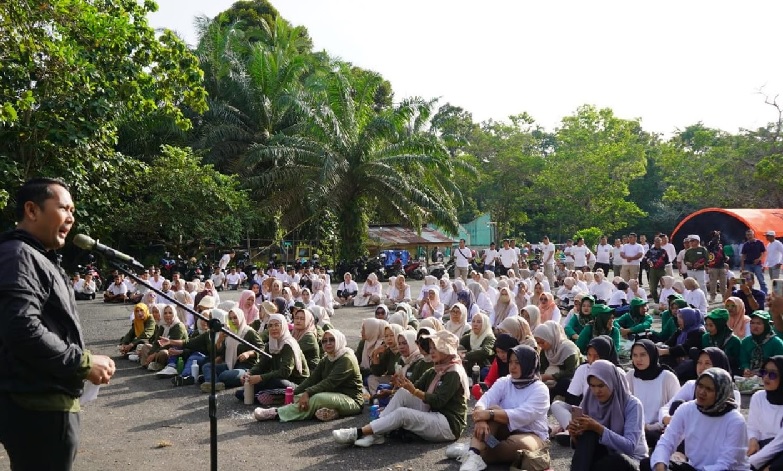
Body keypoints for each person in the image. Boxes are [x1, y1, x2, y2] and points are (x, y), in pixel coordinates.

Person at [0, 178, 116, 471]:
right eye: (64, 208)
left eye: (73, 210)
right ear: (32, 209)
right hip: (39, 404)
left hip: (40, 400)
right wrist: (82, 363)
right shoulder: (20, 256)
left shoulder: (36, 257)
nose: (71, 217)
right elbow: (22, 328)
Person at [332, 330, 469, 447]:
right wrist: (401, 384)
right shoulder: (436, 369)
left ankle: (358, 432)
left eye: (436, 347)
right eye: (431, 347)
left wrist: (413, 390)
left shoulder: (454, 372)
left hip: (449, 424)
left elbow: (439, 401)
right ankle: (375, 432)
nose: (431, 351)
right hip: (434, 413)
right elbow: (415, 386)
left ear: (447, 350)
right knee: (403, 393)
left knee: (403, 413)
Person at [454, 345, 550, 471]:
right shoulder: (504, 381)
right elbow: (485, 400)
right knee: (491, 409)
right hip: (501, 434)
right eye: (510, 362)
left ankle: (474, 450)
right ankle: (474, 453)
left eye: (518, 362)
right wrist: (481, 419)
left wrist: (490, 414)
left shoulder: (540, 389)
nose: (512, 366)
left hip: (531, 435)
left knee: (520, 445)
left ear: (528, 364)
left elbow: (524, 415)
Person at [644, 368, 750, 471]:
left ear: (721, 393)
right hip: (695, 467)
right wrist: (660, 465)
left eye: (709, 389)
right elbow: (667, 441)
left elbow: (726, 464)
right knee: (649, 463)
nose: (701, 392)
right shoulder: (687, 409)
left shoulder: (735, 421)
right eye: (700, 386)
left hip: (723, 469)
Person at [252, 329, 363, 423]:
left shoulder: (346, 358)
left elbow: (329, 382)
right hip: (332, 394)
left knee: (316, 398)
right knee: (299, 397)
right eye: (324, 341)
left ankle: (277, 413)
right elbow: (312, 379)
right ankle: (331, 413)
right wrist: (297, 393)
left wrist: (307, 393)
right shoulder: (328, 358)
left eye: (332, 340)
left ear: (339, 340)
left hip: (351, 400)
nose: (327, 343)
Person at [568, 360, 648, 471]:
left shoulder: (632, 405)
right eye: (592, 386)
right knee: (589, 434)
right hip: (604, 456)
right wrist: (575, 435)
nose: (596, 391)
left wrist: (599, 428)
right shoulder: (589, 400)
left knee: (617, 460)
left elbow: (629, 447)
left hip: (631, 460)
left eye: (601, 385)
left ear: (612, 382)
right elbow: (584, 448)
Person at [549, 335, 621, 443]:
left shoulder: (618, 372)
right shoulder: (583, 369)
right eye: (589, 355)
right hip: (587, 412)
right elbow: (572, 397)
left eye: (596, 356)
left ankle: (578, 432)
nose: (592, 360)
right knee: (557, 405)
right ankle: (572, 430)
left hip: (609, 415)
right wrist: (576, 416)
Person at [658, 347, 740, 430]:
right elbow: (665, 408)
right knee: (677, 405)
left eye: (707, 363)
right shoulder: (691, 385)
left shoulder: (731, 392)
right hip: (687, 433)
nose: (702, 367)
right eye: (699, 363)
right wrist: (667, 419)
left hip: (717, 435)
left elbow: (733, 422)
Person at [236, 314, 309, 404]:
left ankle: (281, 397)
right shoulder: (270, 344)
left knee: (276, 382)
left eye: (277, 325)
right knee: (240, 394)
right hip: (277, 379)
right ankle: (274, 396)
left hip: (296, 384)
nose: (273, 328)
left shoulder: (288, 344)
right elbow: (261, 364)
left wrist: (261, 378)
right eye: (270, 325)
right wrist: (250, 373)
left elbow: (285, 372)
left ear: (283, 326)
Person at [625, 340, 680, 448]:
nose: (638, 359)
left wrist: (650, 427)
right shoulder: (630, 376)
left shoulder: (667, 378)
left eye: (643, 355)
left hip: (659, 431)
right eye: (635, 355)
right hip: (635, 430)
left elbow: (676, 410)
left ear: (652, 355)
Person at [200, 307, 264, 392]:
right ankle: (215, 384)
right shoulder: (228, 332)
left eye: (235, 318)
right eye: (230, 318)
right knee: (207, 366)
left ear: (240, 317)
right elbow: (221, 353)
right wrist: (219, 340)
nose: (233, 321)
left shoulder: (249, 332)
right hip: (229, 365)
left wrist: (249, 353)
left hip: (245, 367)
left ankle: (212, 380)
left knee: (224, 375)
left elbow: (262, 349)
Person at [747, 355, 783, 471]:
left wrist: (750, 464)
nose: (766, 377)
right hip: (760, 448)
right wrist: (752, 439)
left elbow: (778, 444)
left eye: (772, 374)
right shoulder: (758, 397)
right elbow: (752, 426)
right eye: (763, 372)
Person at [533, 321, 580, 400]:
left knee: (564, 383)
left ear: (550, 337)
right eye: (538, 343)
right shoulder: (546, 350)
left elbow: (571, 372)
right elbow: (542, 367)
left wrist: (551, 376)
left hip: (570, 380)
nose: (540, 345)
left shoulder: (568, 349)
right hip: (555, 378)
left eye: (542, 342)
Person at [658, 307, 705, 382]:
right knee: (662, 347)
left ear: (689, 318)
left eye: (681, 317)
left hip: (691, 360)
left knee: (689, 363)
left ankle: (670, 377)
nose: (678, 320)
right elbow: (669, 343)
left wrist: (666, 351)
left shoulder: (698, 332)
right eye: (678, 317)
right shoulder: (681, 330)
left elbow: (686, 348)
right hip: (679, 358)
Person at [470, 334, 520, 400]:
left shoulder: (520, 360)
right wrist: (485, 387)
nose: (500, 355)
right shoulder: (498, 360)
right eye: (498, 352)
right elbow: (490, 379)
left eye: (504, 352)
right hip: (501, 390)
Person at [740, 311, 783, 377]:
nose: (755, 326)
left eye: (759, 323)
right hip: (750, 377)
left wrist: (762, 373)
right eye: (752, 323)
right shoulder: (746, 341)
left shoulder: (776, 343)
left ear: (766, 325)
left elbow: (779, 365)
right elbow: (743, 360)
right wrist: (746, 368)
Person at [701, 308, 742, 375]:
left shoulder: (734, 340)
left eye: (711, 325)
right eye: (706, 325)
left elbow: (738, 362)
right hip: (708, 369)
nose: (708, 329)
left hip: (728, 370)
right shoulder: (706, 337)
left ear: (720, 325)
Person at [367, 324, 404, 395]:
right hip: (391, 379)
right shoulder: (388, 351)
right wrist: (376, 355)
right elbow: (378, 372)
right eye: (386, 336)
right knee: (372, 378)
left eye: (392, 335)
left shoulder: (404, 350)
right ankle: (377, 397)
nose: (389, 339)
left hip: (403, 380)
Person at [291, 307, 321, 373]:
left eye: (302, 319)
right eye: (296, 318)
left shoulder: (309, 336)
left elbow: (291, 352)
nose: (298, 321)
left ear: (308, 321)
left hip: (310, 371)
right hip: (298, 367)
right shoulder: (294, 332)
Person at [742, 229, 768, 294]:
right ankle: (750, 293)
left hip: (757, 264)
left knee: (761, 280)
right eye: (747, 235)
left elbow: (764, 253)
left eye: (750, 234)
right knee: (748, 280)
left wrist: (759, 259)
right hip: (748, 264)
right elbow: (743, 255)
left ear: (753, 235)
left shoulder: (759, 243)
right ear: (746, 236)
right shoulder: (745, 245)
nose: (749, 236)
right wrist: (742, 266)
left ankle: (764, 293)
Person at [644, 237, 669, 303]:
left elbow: (667, 260)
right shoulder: (650, 250)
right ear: (654, 242)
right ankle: (656, 299)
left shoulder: (663, 251)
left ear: (661, 242)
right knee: (652, 288)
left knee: (664, 286)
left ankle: (662, 299)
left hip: (661, 270)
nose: (658, 243)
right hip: (653, 270)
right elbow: (645, 258)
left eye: (659, 241)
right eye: (656, 241)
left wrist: (661, 263)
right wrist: (648, 261)